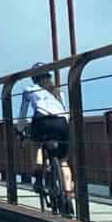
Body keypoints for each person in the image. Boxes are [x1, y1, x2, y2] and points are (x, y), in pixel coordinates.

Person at [17, 68, 73, 214]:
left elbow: (23, 114)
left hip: (42, 122)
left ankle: (39, 179)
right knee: (63, 162)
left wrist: (19, 130)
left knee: (36, 145)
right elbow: (66, 111)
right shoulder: (58, 91)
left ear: (35, 80)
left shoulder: (29, 89)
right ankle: (68, 195)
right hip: (62, 123)